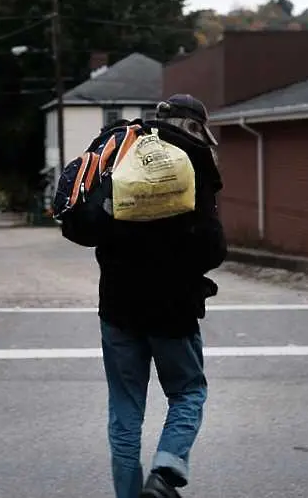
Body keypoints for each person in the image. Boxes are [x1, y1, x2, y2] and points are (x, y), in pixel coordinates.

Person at [95, 94, 227, 498]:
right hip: (174, 307)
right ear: (196, 123)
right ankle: (166, 473)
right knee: (188, 392)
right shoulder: (197, 160)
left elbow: (95, 229)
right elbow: (212, 249)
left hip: (117, 306)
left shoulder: (121, 151)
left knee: (125, 409)